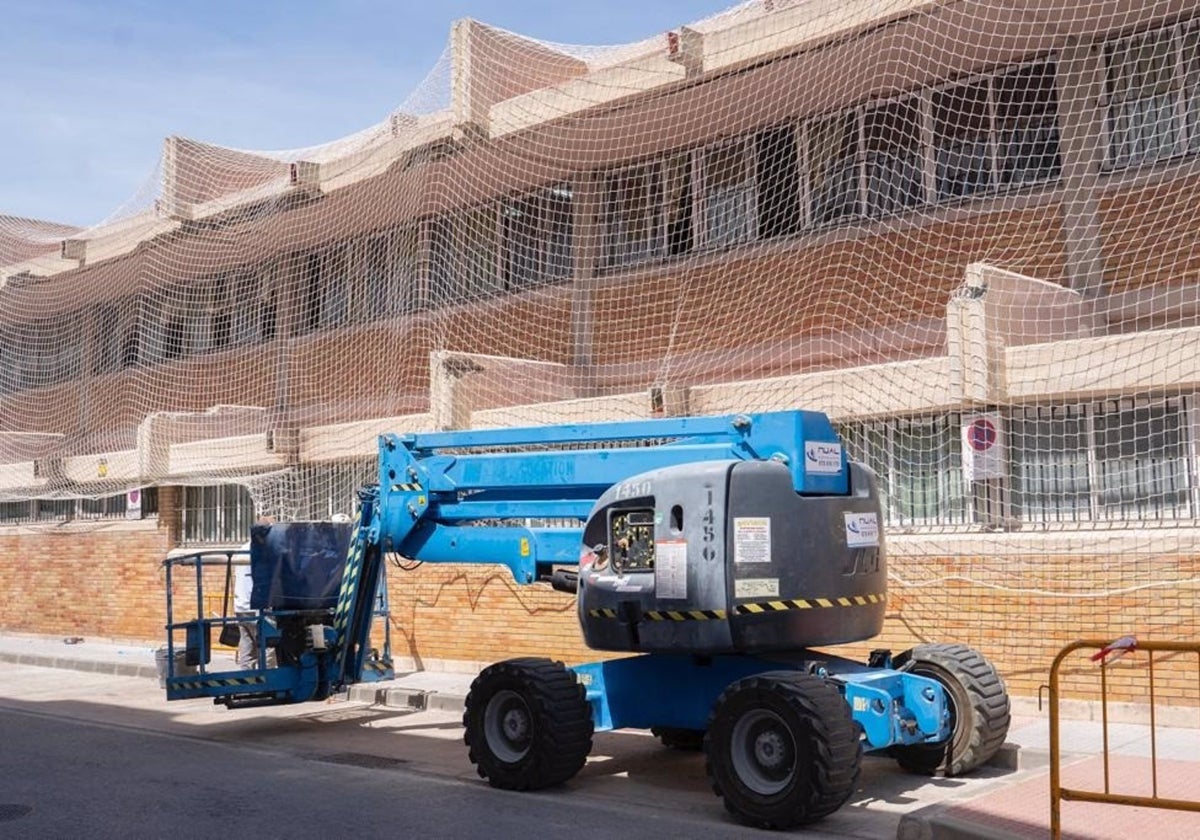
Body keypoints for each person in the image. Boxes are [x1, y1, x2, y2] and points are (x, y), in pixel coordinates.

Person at [233, 542, 275, 669]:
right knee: (269, 645)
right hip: (256, 607)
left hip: (240, 605)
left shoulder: (243, 548)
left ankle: (247, 679)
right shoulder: (263, 547)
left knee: (248, 646)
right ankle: (268, 681)